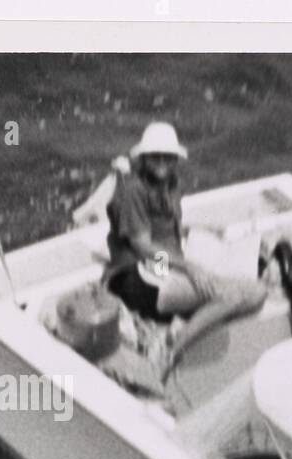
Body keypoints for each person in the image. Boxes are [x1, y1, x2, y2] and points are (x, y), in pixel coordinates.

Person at [104, 122, 267, 366]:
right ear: (144, 158)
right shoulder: (133, 190)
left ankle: (186, 318)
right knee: (229, 294)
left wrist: (206, 233)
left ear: (175, 159)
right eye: (155, 156)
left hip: (164, 262)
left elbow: (166, 227)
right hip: (137, 274)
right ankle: (171, 350)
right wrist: (190, 268)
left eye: (167, 157)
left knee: (258, 292)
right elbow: (142, 245)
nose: (162, 162)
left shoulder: (172, 185)